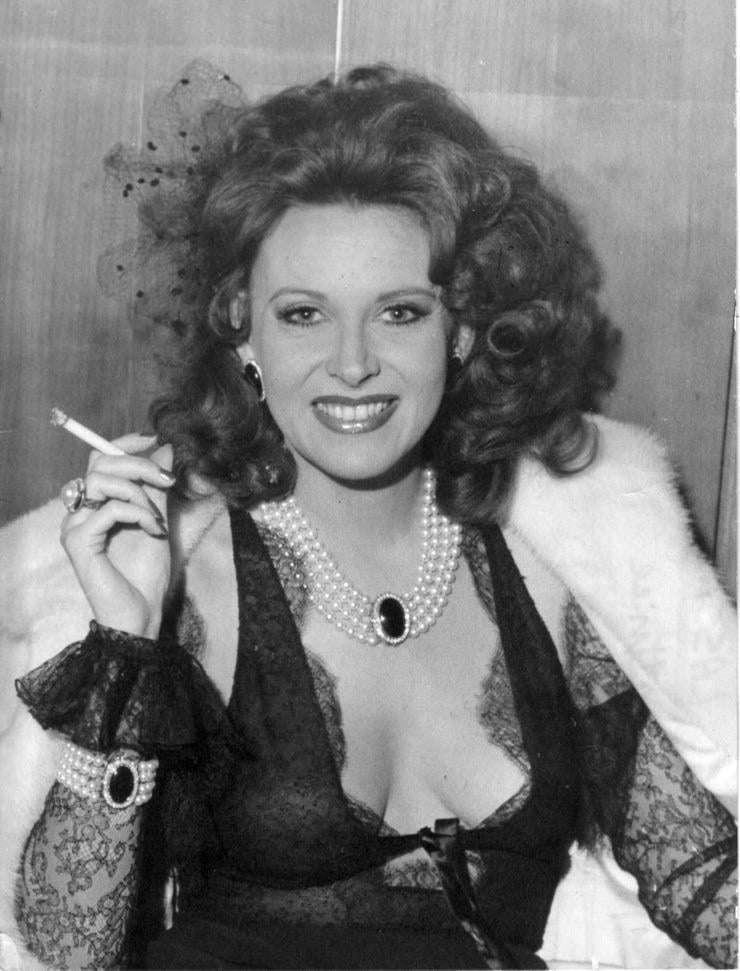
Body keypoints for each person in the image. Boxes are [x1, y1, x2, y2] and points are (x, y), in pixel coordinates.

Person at [0, 64, 736, 970]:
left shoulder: (554, 566)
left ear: (462, 329)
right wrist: (126, 635)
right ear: (243, 331)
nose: (352, 364)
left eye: (399, 312)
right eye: (304, 314)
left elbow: (697, 872)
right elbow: (68, 948)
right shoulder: (189, 577)